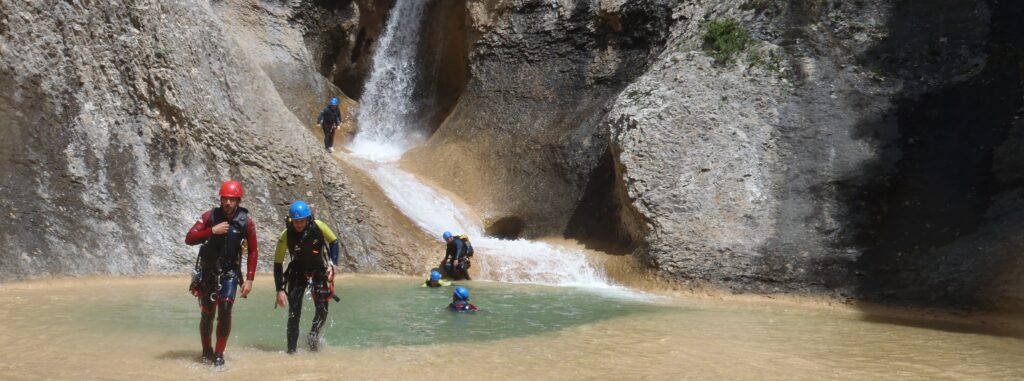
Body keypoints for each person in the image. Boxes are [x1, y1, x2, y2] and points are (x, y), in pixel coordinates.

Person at [185, 180, 259, 367]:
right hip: (208, 272)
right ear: (220, 199)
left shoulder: (246, 222)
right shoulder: (209, 217)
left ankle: (219, 354)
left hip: (230, 273)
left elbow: (252, 251)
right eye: (225, 198)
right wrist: (211, 231)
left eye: (232, 199)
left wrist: (249, 279)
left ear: (238, 201)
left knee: (225, 310)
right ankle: (206, 351)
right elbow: (190, 238)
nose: (228, 203)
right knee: (207, 314)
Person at [273, 200, 341, 354]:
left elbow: (334, 242)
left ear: (308, 219)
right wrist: (279, 289)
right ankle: (291, 351)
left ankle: (313, 336)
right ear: (291, 220)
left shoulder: (318, 226)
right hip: (297, 272)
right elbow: (277, 262)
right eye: (296, 221)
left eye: (302, 220)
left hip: (318, 270)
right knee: (294, 312)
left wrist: (332, 264)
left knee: (322, 310)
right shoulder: (286, 235)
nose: (299, 224)